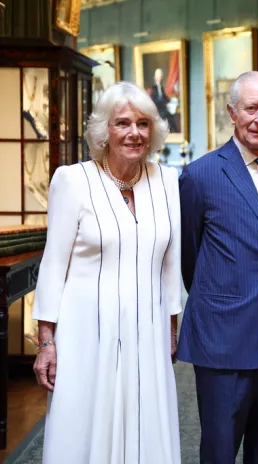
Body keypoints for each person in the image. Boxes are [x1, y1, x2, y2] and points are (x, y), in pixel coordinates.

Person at [32, 81, 182, 463]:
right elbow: (53, 264)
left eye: (143, 123)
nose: (134, 133)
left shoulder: (167, 181)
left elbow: (170, 262)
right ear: (104, 131)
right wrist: (46, 341)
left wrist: (171, 326)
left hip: (148, 332)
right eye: (122, 123)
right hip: (86, 333)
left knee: (146, 423)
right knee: (83, 424)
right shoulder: (73, 180)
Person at [177, 71, 258, 464]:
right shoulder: (200, 176)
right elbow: (190, 256)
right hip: (224, 338)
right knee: (219, 451)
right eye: (251, 108)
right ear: (232, 113)